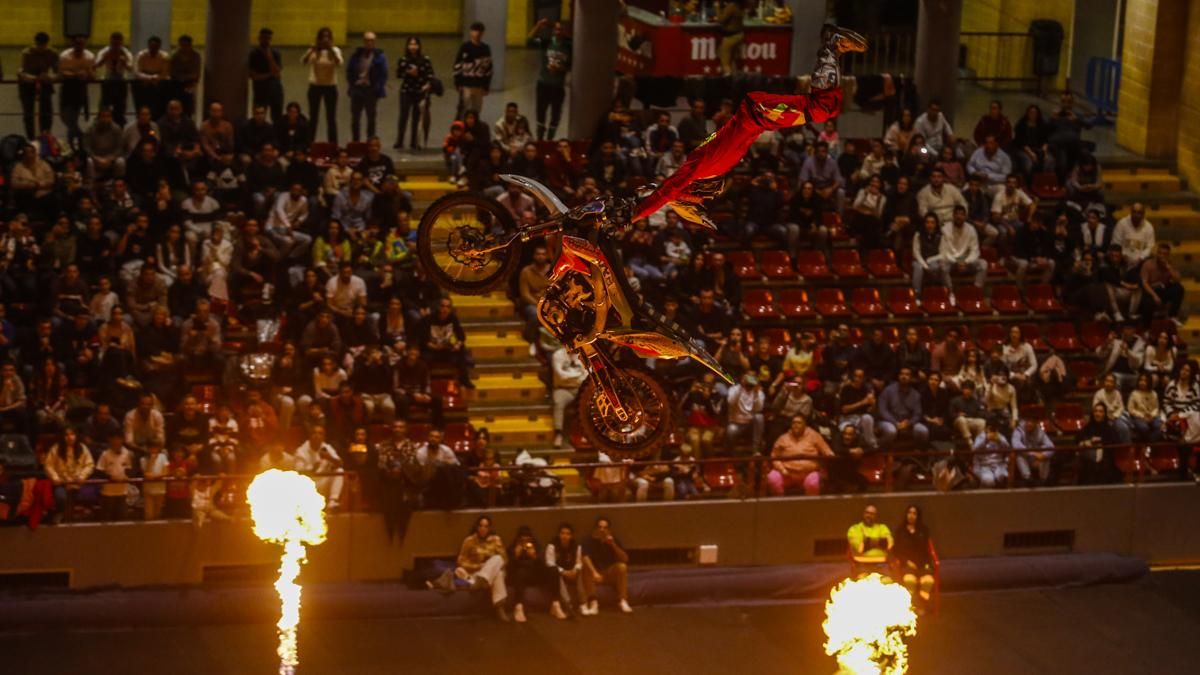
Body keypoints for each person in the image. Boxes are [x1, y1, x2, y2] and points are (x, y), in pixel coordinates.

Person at [632, 24, 866, 222]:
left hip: (757, 113)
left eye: (707, 196)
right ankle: (833, 48)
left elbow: (668, 192)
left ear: (697, 188)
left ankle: (832, 44)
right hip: (760, 119)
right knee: (829, 108)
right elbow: (672, 194)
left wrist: (633, 216)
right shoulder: (712, 169)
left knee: (821, 108)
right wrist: (660, 194)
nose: (716, 193)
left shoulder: (698, 166)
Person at [456, 515, 510, 621]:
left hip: (489, 574)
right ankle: (499, 607)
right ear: (477, 527)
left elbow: (505, 559)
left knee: (498, 559)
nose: (483, 529)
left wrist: (489, 565)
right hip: (475, 574)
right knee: (497, 573)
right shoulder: (469, 540)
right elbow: (461, 561)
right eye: (480, 526)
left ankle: (485, 580)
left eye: (486, 526)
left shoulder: (495, 539)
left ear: (489, 528)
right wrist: (479, 566)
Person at [766, 415, 835, 496]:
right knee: (772, 477)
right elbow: (774, 456)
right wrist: (782, 469)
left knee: (813, 483)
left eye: (799, 423)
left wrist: (830, 454)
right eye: (794, 422)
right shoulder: (783, 438)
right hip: (787, 473)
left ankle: (810, 506)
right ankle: (779, 505)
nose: (796, 425)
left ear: (805, 425)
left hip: (808, 472)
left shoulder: (814, 435)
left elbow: (826, 449)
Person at [581, 516, 633, 615]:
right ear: (596, 528)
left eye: (605, 528)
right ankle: (593, 602)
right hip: (593, 574)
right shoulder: (589, 540)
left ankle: (623, 601)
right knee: (585, 566)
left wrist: (613, 544)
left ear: (609, 530)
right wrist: (595, 573)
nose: (602, 530)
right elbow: (585, 557)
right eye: (600, 527)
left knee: (622, 567)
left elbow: (625, 559)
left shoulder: (614, 540)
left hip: (608, 572)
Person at [303, 27, 344, 145]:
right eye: (323, 37)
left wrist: (330, 49)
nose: (325, 39)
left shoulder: (335, 50)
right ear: (319, 38)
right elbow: (304, 61)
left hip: (330, 86)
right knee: (313, 117)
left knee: (331, 118)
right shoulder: (314, 51)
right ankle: (309, 144)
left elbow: (339, 63)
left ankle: (333, 144)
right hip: (315, 86)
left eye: (327, 37)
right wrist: (313, 49)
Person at [893, 505, 937, 613]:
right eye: (909, 513)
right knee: (910, 581)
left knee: (928, 581)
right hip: (906, 564)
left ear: (918, 516)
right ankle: (911, 607)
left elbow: (925, 551)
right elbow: (896, 551)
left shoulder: (924, 530)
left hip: (922, 564)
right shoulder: (900, 531)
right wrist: (906, 562)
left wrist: (926, 564)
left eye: (914, 513)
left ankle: (922, 605)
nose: (911, 516)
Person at [347, 32, 388, 142]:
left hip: (371, 91)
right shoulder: (356, 55)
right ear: (363, 42)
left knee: (371, 119)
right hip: (358, 90)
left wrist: (378, 88)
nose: (369, 43)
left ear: (375, 42)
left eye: (372, 41)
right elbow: (349, 71)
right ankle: (356, 141)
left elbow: (383, 74)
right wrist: (352, 85)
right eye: (367, 41)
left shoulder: (379, 57)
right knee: (355, 119)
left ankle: (370, 142)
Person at [395, 37, 434, 151]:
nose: (413, 47)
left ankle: (414, 141)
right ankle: (400, 140)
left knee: (416, 118)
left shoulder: (425, 59)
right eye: (411, 44)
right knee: (403, 116)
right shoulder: (403, 59)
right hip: (406, 91)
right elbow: (399, 74)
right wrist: (408, 73)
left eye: (415, 44)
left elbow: (430, 75)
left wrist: (424, 80)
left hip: (420, 91)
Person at [18, 32, 57, 140]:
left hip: (45, 84)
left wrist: (49, 77)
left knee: (47, 113)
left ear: (47, 44)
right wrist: (32, 78)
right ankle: (31, 138)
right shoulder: (27, 53)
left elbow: (58, 73)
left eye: (43, 46)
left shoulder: (52, 53)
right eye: (39, 45)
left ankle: (45, 137)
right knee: (28, 114)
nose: (41, 48)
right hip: (27, 85)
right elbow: (22, 71)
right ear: (35, 43)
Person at [294, 424, 344, 510]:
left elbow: (340, 463)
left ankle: (333, 501)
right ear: (310, 436)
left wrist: (329, 457)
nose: (317, 436)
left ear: (323, 437)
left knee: (340, 470)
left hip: (324, 482)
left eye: (320, 433)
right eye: (314, 433)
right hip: (309, 484)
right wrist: (313, 468)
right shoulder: (301, 451)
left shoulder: (327, 447)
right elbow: (298, 474)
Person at [878, 367, 929, 448]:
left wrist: (909, 423)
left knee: (923, 431)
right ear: (898, 376)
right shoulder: (888, 390)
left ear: (911, 378)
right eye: (902, 374)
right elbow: (883, 410)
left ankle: (917, 452)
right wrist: (895, 422)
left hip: (907, 423)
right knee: (891, 431)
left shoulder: (916, 395)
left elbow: (918, 414)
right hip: (889, 421)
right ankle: (878, 449)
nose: (904, 376)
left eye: (907, 374)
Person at [454, 22, 494, 118]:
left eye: (479, 31)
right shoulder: (465, 47)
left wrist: (486, 86)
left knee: (477, 110)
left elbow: (488, 68)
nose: (477, 33)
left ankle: (474, 128)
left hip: (478, 85)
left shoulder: (485, 48)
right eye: (475, 30)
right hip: (466, 84)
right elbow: (457, 65)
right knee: (464, 108)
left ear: (483, 33)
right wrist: (458, 83)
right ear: (470, 32)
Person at [545, 522, 583, 619]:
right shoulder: (552, 545)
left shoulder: (576, 545)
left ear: (571, 535)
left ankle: (583, 603)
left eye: (567, 534)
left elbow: (579, 561)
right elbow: (550, 563)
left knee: (581, 571)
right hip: (558, 572)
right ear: (559, 534)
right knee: (556, 574)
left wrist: (575, 570)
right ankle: (568, 603)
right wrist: (563, 572)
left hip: (571, 571)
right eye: (562, 533)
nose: (565, 536)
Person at [1139, 243, 1184, 324]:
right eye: (1160, 253)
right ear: (1157, 253)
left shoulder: (1170, 264)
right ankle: (1147, 326)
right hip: (1150, 291)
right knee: (1147, 303)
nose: (1161, 256)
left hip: (1163, 289)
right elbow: (1144, 283)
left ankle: (1172, 316)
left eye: (1164, 254)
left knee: (1179, 288)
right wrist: (1154, 296)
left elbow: (1178, 279)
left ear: (1168, 255)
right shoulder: (1148, 264)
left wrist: (1169, 268)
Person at [506, 526, 543, 623]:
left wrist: (534, 556)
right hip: (518, 575)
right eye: (522, 539)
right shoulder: (513, 547)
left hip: (533, 574)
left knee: (551, 570)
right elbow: (509, 567)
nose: (525, 542)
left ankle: (555, 604)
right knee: (521, 572)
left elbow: (541, 564)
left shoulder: (535, 546)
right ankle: (519, 606)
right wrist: (516, 556)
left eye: (527, 539)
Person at [96, 32, 134, 127]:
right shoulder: (104, 51)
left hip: (121, 81)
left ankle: (119, 126)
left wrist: (124, 62)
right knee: (104, 106)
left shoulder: (126, 53)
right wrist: (106, 58)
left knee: (120, 109)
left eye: (118, 43)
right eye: (114, 42)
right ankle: (103, 124)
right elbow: (96, 65)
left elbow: (131, 68)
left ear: (121, 42)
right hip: (108, 80)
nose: (116, 45)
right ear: (110, 41)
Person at [551, 346, 586, 449]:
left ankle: (586, 433)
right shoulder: (557, 355)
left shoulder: (582, 355)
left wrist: (570, 377)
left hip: (580, 388)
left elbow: (587, 375)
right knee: (558, 402)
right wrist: (578, 376)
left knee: (590, 402)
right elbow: (561, 376)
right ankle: (558, 434)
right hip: (563, 389)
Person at [847, 503, 892, 577]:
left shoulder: (882, 528)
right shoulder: (855, 529)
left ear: (876, 516)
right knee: (864, 582)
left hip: (881, 566)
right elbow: (860, 548)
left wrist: (867, 542)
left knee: (888, 583)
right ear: (863, 514)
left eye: (872, 514)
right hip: (861, 567)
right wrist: (879, 542)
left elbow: (888, 544)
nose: (869, 515)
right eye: (867, 513)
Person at [249, 28, 284, 120]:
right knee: (258, 117)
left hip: (275, 89)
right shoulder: (254, 53)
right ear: (259, 38)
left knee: (277, 117)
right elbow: (254, 76)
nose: (266, 41)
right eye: (264, 38)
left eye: (268, 38)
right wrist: (270, 74)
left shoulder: (275, 52)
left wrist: (269, 58)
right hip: (260, 90)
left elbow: (277, 74)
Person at [725, 373, 766, 454]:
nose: (750, 380)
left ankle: (755, 450)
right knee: (731, 430)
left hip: (750, 424)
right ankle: (731, 454)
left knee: (759, 417)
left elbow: (759, 408)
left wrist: (756, 393)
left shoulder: (758, 392)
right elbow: (731, 402)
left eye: (752, 378)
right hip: (736, 423)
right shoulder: (734, 389)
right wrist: (741, 387)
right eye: (748, 378)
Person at [133, 35, 171, 119]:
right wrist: (150, 78)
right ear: (148, 46)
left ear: (159, 47)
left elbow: (165, 73)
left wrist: (154, 78)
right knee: (141, 105)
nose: (154, 48)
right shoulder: (141, 55)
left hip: (158, 85)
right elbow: (137, 72)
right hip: (143, 84)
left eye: (156, 47)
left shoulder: (164, 56)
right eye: (152, 46)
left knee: (159, 108)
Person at [1011, 416, 1056, 486]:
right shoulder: (1019, 430)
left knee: (1045, 456)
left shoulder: (1040, 432)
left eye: (1032, 422)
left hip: (1036, 459)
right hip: (1026, 457)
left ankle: (1043, 480)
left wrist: (1042, 456)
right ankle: (1027, 478)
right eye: (1027, 421)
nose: (1029, 424)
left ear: (1036, 423)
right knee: (1019, 456)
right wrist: (1033, 454)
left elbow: (1051, 447)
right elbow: (1016, 445)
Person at [972, 420, 1011, 488]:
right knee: (989, 482)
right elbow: (974, 450)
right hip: (985, 465)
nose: (992, 431)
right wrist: (986, 440)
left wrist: (999, 440)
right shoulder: (980, 436)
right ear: (986, 428)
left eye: (994, 429)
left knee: (1001, 477)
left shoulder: (1000, 436)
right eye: (990, 428)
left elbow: (1008, 448)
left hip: (999, 464)